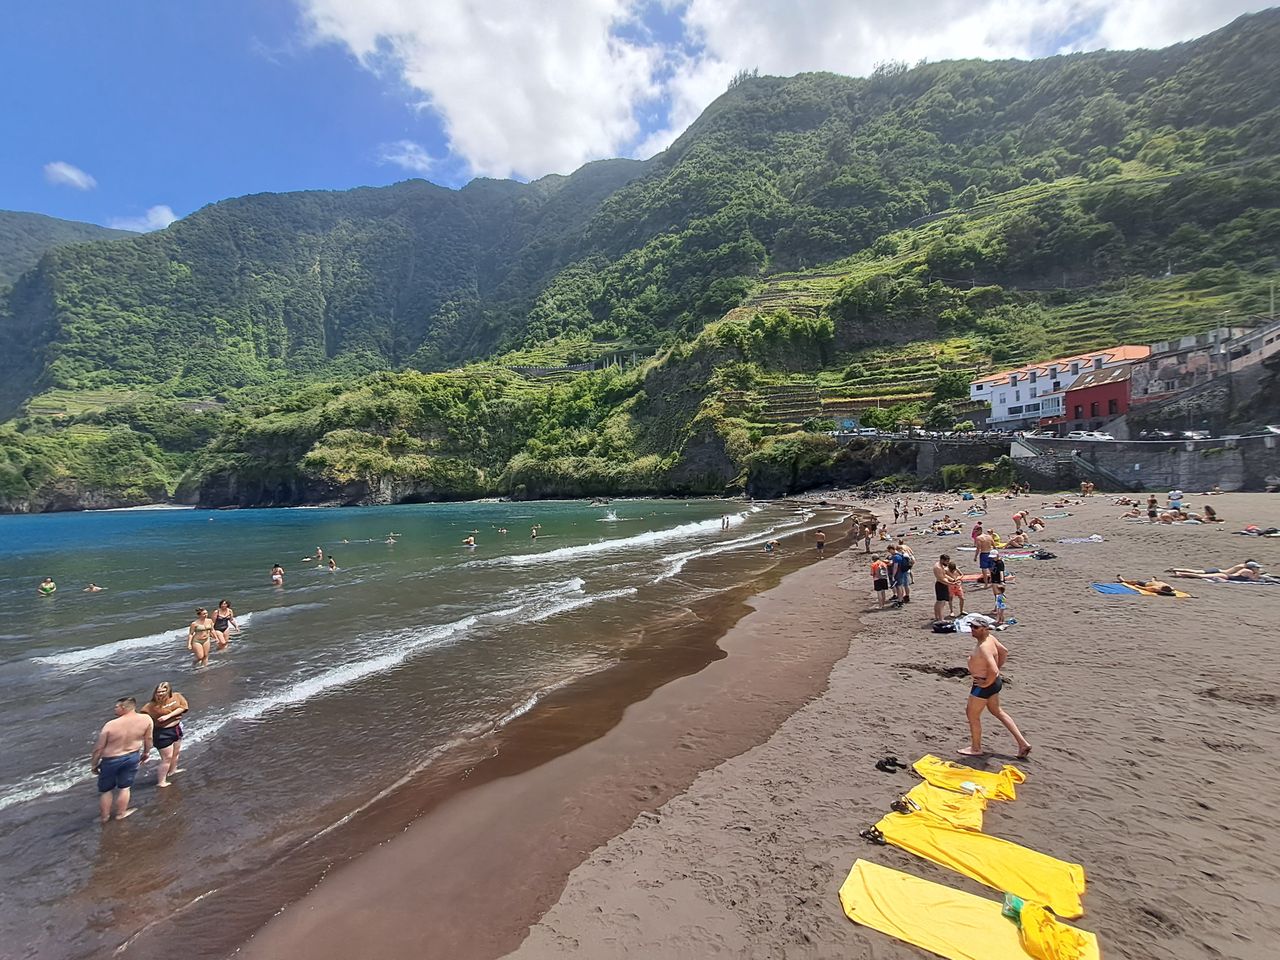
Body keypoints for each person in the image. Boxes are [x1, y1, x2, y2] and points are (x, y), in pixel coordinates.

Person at [960, 624, 1031, 758]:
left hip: (983, 685)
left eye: (975, 627)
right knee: (997, 711)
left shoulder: (984, 647)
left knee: (972, 715)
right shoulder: (990, 639)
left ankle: (975, 748)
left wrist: (986, 682)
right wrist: (994, 674)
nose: (972, 629)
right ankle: (1023, 743)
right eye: (971, 626)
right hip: (994, 682)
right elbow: (1004, 651)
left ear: (984, 629)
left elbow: (993, 669)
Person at [90, 697, 153, 823]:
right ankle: (121, 814)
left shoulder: (111, 725)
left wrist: (94, 764)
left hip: (111, 759)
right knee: (125, 787)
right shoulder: (146, 719)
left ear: (124, 707)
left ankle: (104, 817)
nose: (115, 709)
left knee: (106, 790)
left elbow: (99, 748)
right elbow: (148, 739)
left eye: (116, 707)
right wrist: (146, 752)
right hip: (132, 756)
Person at [141, 682, 188, 787]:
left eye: (163, 691)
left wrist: (168, 716)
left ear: (168, 691)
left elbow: (183, 707)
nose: (161, 694)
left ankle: (173, 770)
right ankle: (161, 781)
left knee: (176, 753)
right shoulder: (150, 706)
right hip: (162, 733)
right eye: (158, 692)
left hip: (176, 728)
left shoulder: (177, 696)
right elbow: (143, 719)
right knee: (167, 758)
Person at [1169, 561, 1264, 582]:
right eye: (1257, 568)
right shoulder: (1248, 571)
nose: (1258, 569)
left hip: (1223, 574)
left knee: (1197, 573)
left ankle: (1177, 571)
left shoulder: (1243, 568)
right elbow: (1254, 580)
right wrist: (1258, 574)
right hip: (1226, 576)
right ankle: (1180, 573)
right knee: (1199, 576)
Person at [932, 553, 952, 621]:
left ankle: (937, 617)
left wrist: (952, 580)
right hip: (941, 585)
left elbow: (944, 575)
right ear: (942, 560)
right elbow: (941, 579)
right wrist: (950, 583)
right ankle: (941, 619)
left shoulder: (942, 565)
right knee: (941, 603)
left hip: (943, 584)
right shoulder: (938, 567)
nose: (947, 563)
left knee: (939, 601)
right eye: (946, 561)